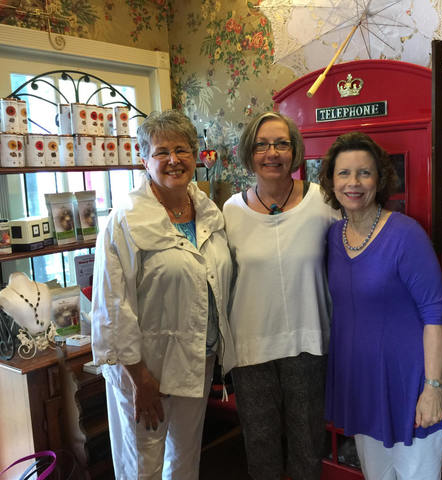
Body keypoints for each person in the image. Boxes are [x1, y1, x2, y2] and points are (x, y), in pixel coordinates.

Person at [91, 109, 236, 479]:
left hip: (195, 360)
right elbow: (113, 307)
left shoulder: (207, 211)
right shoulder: (125, 219)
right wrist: (140, 379)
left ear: (195, 155)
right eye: (162, 152)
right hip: (146, 371)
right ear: (144, 160)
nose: (174, 159)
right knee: (143, 467)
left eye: (182, 149)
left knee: (185, 461)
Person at [318, 132, 442, 480]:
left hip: (410, 383)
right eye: (344, 173)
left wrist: (433, 388)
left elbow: (435, 315)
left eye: (364, 173)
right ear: (331, 182)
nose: (353, 183)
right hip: (363, 385)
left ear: (379, 180)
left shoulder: (406, 234)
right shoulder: (333, 237)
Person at [222, 111, 338, 480]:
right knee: (261, 450)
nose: (272, 153)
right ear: (249, 152)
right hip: (251, 348)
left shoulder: (323, 201)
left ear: (295, 151)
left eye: (281, 144)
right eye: (262, 145)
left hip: (309, 342)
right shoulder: (230, 211)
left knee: (308, 447)